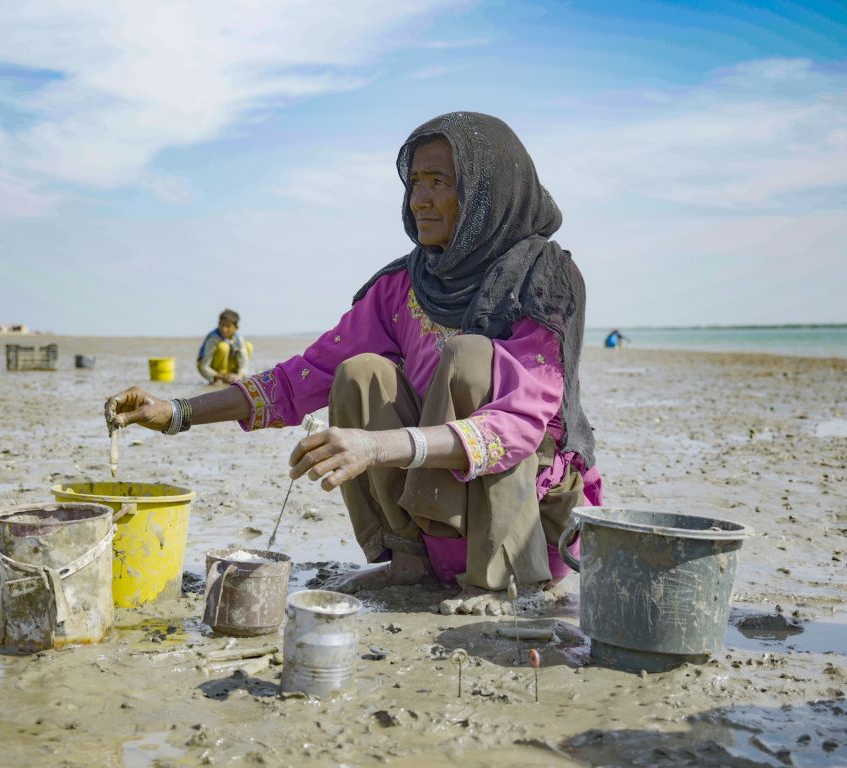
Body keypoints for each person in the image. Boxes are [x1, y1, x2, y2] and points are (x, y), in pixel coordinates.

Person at [106, 112, 602, 616]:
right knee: (362, 373)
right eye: (414, 183)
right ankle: (409, 558)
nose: (420, 201)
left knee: (469, 357)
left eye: (441, 183)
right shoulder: (404, 285)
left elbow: (517, 425)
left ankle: (501, 581)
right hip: (436, 519)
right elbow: (302, 376)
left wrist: (375, 446)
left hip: (529, 525)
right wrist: (176, 412)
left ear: (488, 194)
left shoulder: (543, 277)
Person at [197, 309, 253, 384]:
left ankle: (233, 377)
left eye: (228, 326)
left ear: (236, 328)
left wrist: (239, 376)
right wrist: (220, 376)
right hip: (212, 370)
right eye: (222, 325)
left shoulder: (238, 338)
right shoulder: (213, 338)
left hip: (229, 369)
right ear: (218, 324)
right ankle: (220, 379)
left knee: (248, 346)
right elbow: (204, 366)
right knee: (224, 347)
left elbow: (243, 361)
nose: (224, 329)